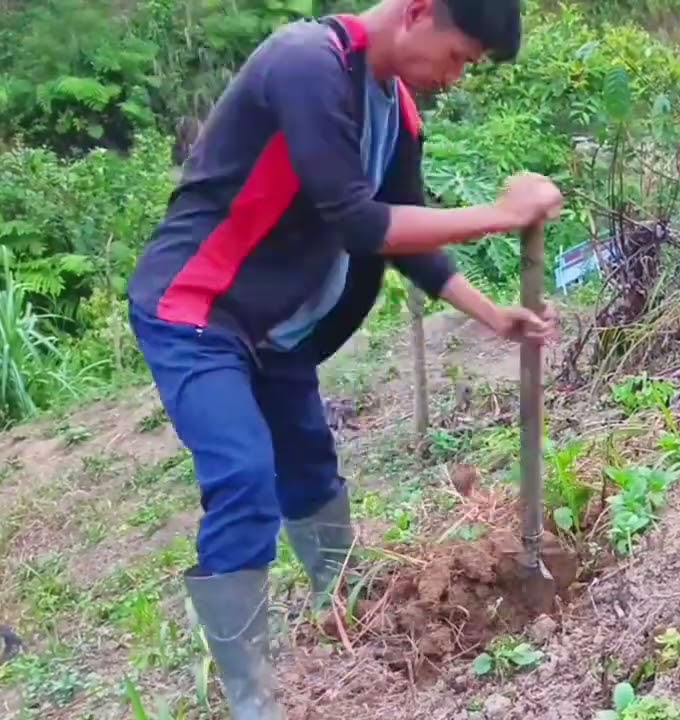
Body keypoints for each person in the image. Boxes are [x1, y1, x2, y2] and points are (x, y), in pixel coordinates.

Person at [124, 1, 560, 717]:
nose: (453, 78)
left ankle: (342, 606)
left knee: (309, 464)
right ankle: (251, 698)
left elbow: (403, 239)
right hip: (193, 307)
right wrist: (502, 212)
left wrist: (492, 315)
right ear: (419, 11)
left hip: (274, 326)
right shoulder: (307, 63)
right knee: (242, 475)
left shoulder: (400, 115)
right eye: (457, 56)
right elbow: (356, 220)